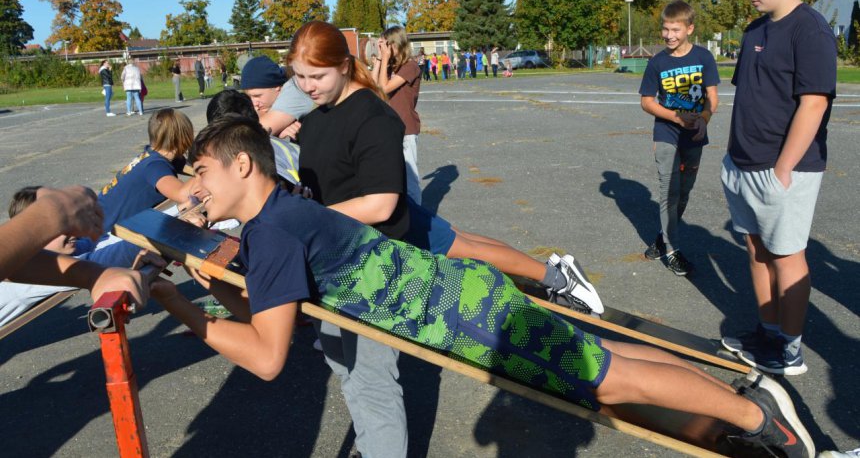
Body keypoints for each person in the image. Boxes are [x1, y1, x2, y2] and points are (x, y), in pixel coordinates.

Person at [151, 116, 816, 458]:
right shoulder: (286, 214)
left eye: (201, 171)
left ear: (243, 164)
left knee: (611, 380)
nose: (192, 186)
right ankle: (748, 403)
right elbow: (282, 320)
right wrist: (207, 279)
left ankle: (762, 423)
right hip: (465, 296)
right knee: (613, 365)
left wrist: (178, 303)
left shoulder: (270, 235)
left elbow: (266, 359)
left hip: (470, 322)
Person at [207, 87, 602, 314]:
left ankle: (555, 277)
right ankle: (554, 270)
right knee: (464, 241)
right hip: (371, 210)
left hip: (379, 215)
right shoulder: (314, 112)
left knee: (462, 247)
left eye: (262, 95)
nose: (306, 84)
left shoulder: (306, 114)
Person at [288, 20, 409, 457]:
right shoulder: (316, 119)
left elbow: (381, 204)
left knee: (373, 378)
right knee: (343, 364)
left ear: (344, 65)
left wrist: (308, 214)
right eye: (298, 76)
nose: (306, 86)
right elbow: (326, 188)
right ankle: (372, 442)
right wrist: (302, 197)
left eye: (316, 76)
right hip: (332, 264)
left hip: (374, 267)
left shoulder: (375, 117)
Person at [720, 0, 837, 376]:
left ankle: (790, 350)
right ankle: (768, 333)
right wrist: (732, 157)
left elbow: (815, 102)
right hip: (742, 164)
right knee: (757, 250)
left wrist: (784, 168)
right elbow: (752, 96)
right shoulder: (756, 29)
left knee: (788, 256)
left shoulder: (811, 30)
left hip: (784, 168)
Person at [638, 0, 719, 277]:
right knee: (668, 193)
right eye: (665, 29)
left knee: (684, 192)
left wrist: (704, 120)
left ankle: (663, 237)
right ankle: (672, 251)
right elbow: (647, 102)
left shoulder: (704, 57)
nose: (669, 35)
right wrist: (676, 118)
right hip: (666, 133)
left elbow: (713, 98)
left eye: (675, 30)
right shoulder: (657, 62)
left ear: (689, 29)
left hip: (694, 136)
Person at [1, 186, 147, 326]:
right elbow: (100, 259)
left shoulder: (38, 255)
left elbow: (99, 246)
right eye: (60, 228)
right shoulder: (23, 283)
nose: (71, 232)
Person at [95, 109, 197, 249]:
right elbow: (184, 195)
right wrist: (210, 173)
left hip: (97, 222)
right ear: (184, 137)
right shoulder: (155, 167)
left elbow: (184, 165)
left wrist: (200, 170)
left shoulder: (153, 155)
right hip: (104, 239)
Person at [371, 26, 423, 205]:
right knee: (394, 176)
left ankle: (417, 219)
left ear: (396, 44)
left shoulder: (410, 66)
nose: (384, 48)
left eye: (387, 45)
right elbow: (371, 88)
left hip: (406, 128)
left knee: (410, 178)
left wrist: (384, 59)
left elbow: (384, 89)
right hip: (389, 128)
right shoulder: (390, 66)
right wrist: (379, 59)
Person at [239, 56, 314, 141]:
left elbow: (252, 135)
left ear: (277, 87)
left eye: (257, 96)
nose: (254, 103)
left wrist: (274, 129)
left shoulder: (295, 89)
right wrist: (279, 133)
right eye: (249, 97)